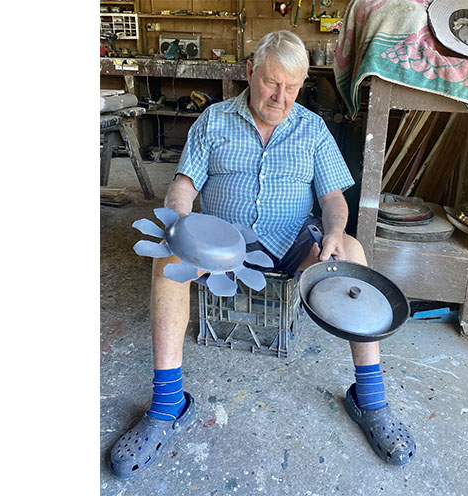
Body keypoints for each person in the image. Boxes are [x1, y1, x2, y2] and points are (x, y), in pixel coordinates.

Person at [109, 30, 415, 479]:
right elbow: (184, 184)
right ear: (251, 72)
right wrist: (181, 222)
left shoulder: (312, 129)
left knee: (351, 250)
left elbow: (333, 199)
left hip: (292, 241)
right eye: (272, 82)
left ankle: (370, 399)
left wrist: (334, 233)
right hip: (224, 243)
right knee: (169, 257)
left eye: (291, 87)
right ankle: (167, 404)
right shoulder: (213, 120)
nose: (280, 97)